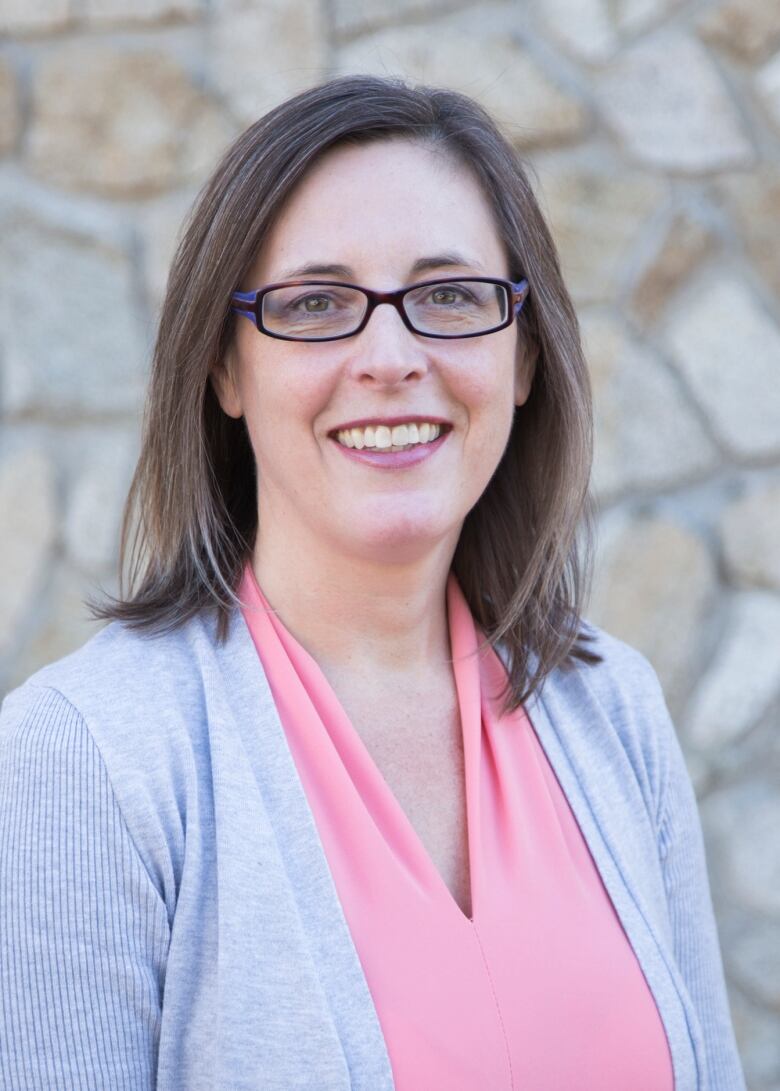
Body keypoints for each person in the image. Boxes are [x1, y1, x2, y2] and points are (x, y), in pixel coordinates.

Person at [0, 75, 744, 1090]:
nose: (389, 357)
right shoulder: (87, 756)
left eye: (449, 295)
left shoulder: (614, 709)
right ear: (225, 369)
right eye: (316, 304)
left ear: (523, 354)